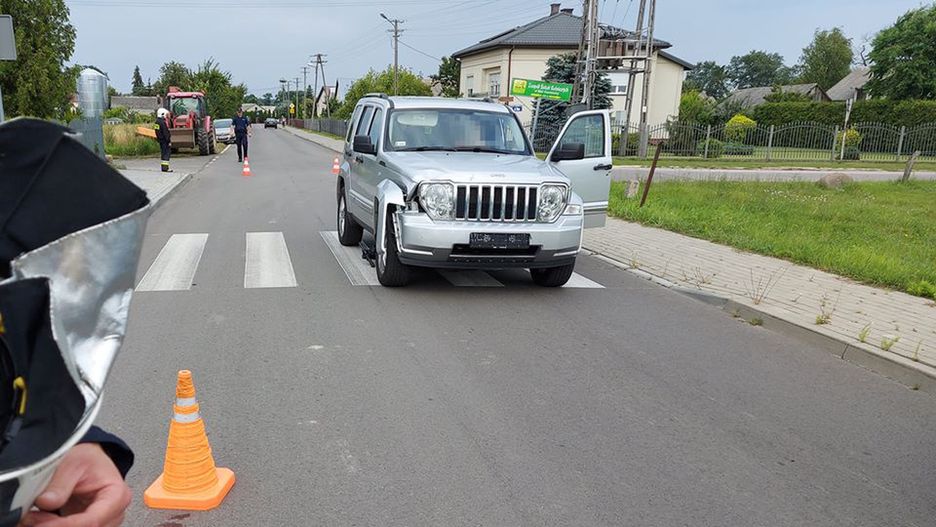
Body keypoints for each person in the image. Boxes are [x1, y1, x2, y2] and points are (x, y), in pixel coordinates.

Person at [155, 108, 172, 173]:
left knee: (163, 154)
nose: (166, 116)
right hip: (165, 141)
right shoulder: (163, 122)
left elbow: (157, 132)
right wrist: (169, 141)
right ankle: (165, 168)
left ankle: (163, 168)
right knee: (166, 154)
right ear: (162, 114)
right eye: (166, 114)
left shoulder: (157, 122)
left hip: (161, 141)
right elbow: (165, 132)